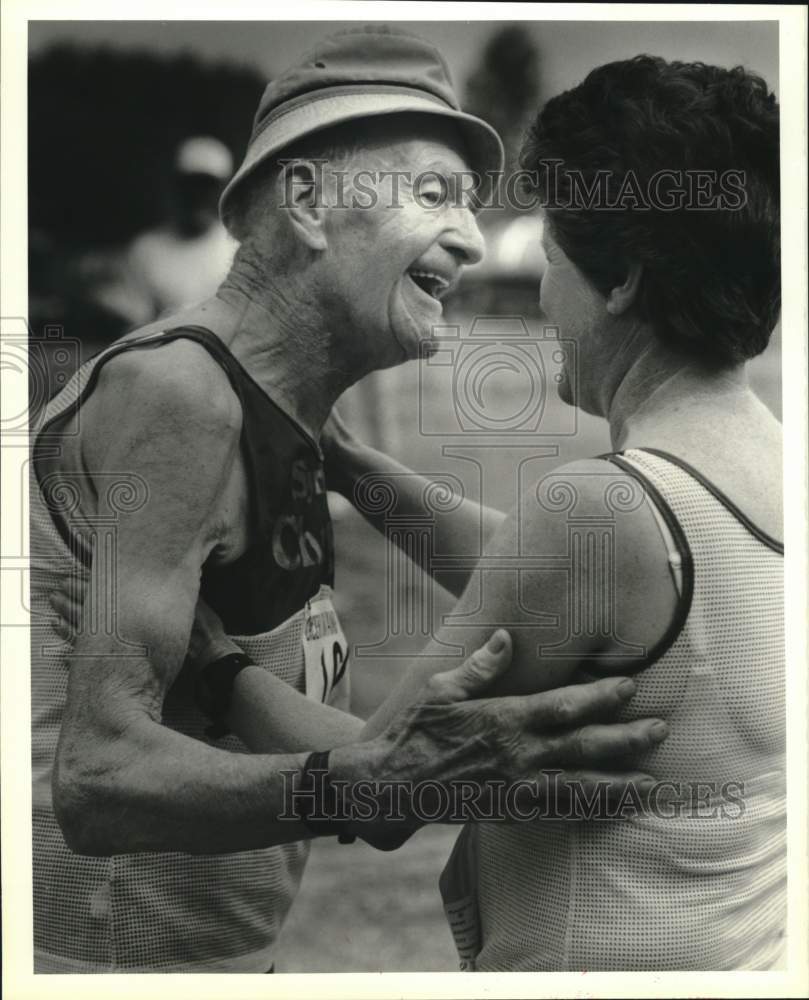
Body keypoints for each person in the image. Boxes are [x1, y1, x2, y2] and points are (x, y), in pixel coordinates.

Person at [32, 29, 667, 974]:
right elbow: (98, 781)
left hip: (208, 953)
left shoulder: (281, 414)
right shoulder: (180, 396)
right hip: (95, 959)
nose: (469, 236)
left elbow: (366, 761)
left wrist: (440, 778)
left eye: (471, 205)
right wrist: (382, 780)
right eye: (430, 195)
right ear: (307, 204)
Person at [340, 55, 783, 971]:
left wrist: (214, 665)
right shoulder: (764, 470)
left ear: (619, 277)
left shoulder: (603, 510)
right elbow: (543, 578)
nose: (543, 297)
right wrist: (351, 470)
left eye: (550, 261)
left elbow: (380, 790)